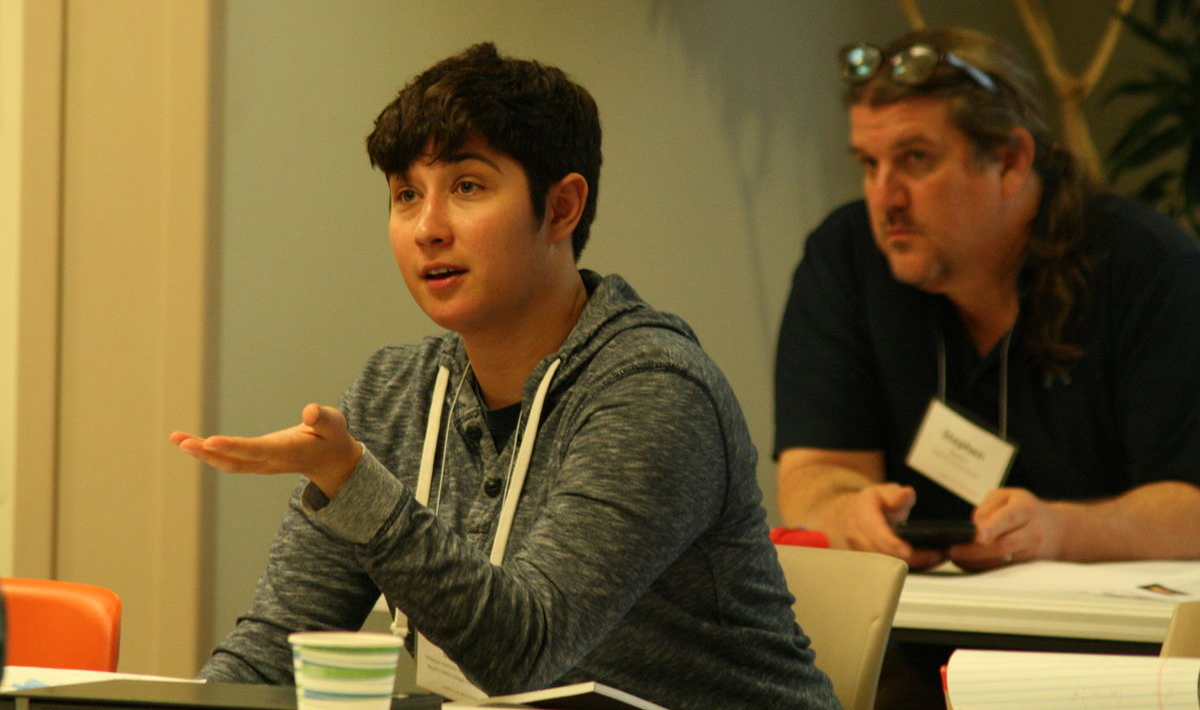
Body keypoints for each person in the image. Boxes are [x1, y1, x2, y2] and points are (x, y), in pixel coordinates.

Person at [171, 42, 839, 710]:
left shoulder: (655, 391)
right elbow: (274, 650)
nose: (427, 228)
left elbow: (526, 652)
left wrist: (354, 484)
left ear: (562, 208)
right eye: (407, 194)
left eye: (467, 186)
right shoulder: (393, 396)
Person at [774, 26, 1200, 574]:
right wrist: (849, 515)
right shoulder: (847, 256)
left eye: (915, 159)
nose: (885, 199)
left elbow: (1191, 506)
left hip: (1100, 621)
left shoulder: (1148, 266)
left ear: (1009, 162)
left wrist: (1060, 531)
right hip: (912, 614)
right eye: (869, 164)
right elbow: (816, 471)